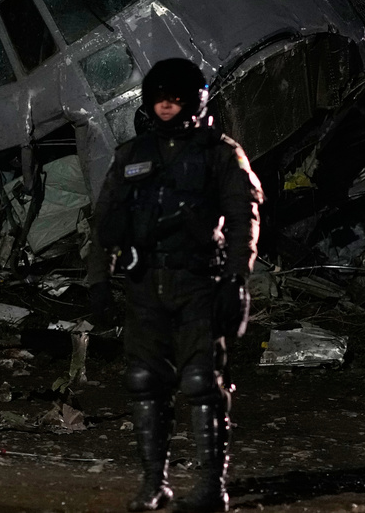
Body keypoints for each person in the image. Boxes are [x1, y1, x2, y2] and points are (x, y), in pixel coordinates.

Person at [92, 58, 262, 513]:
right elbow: (106, 220)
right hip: (146, 283)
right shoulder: (132, 155)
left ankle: (211, 487)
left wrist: (237, 281)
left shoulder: (220, 153)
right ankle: (154, 483)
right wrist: (98, 279)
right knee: (145, 380)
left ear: (194, 101)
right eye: (160, 99)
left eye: (176, 98)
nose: (166, 107)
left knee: (203, 382)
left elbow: (245, 219)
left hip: (199, 281)